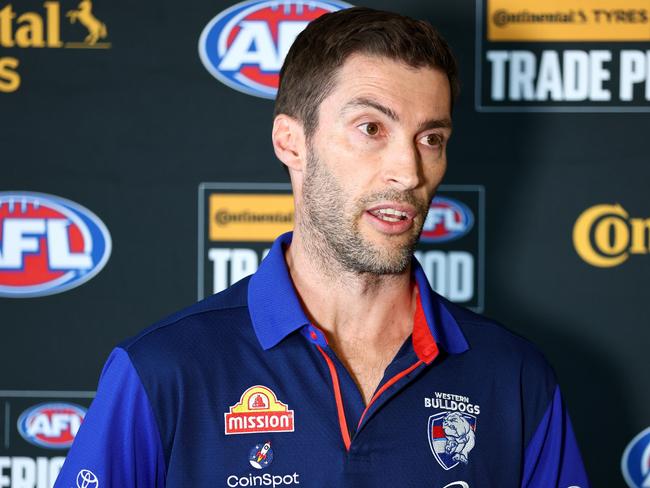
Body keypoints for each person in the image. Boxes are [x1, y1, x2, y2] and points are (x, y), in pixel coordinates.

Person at [55, 7, 589, 488]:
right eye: (371, 127)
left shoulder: (514, 377)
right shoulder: (161, 370)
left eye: (431, 138)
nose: (408, 171)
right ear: (292, 142)